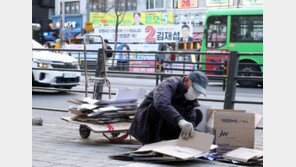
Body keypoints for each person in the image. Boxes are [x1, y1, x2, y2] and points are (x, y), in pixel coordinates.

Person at [129, 71, 208, 144]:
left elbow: (190, 113)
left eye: (199, 92)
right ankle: (153, 142)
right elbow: (161, 103)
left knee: (198, 114)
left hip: (168, 125)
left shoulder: (189, 97)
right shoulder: (169, 84)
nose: (196, 94)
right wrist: (180, 121)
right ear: (186, 80)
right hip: (147, 125)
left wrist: (190, 127)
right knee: (159, 107)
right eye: (195, 89)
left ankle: (177, 140)